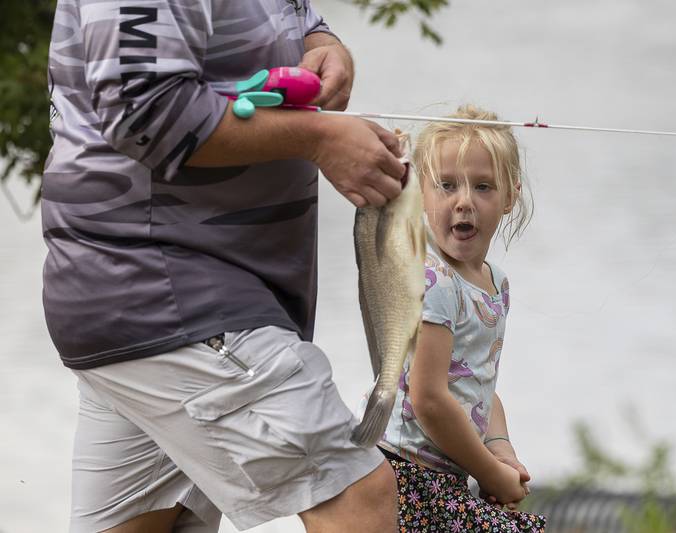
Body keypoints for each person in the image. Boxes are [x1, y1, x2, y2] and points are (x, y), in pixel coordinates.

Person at [44, 1, 405, 532]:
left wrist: (322, 46)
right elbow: (145, 111)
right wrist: (322, 138)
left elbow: (295, 19)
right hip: (165, 286)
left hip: (164, 298)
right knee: (354, 494)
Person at [363, 104, 547, 531]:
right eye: (446, 185)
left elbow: (479, 386)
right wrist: (489, 472)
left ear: (510, 196)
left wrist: (501, 450)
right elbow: (428, 400)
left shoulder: (494, 284)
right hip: (402, 474)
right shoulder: (434, 282)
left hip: (445, 474)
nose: (464, 202)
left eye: (483, 187)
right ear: (422, 194)